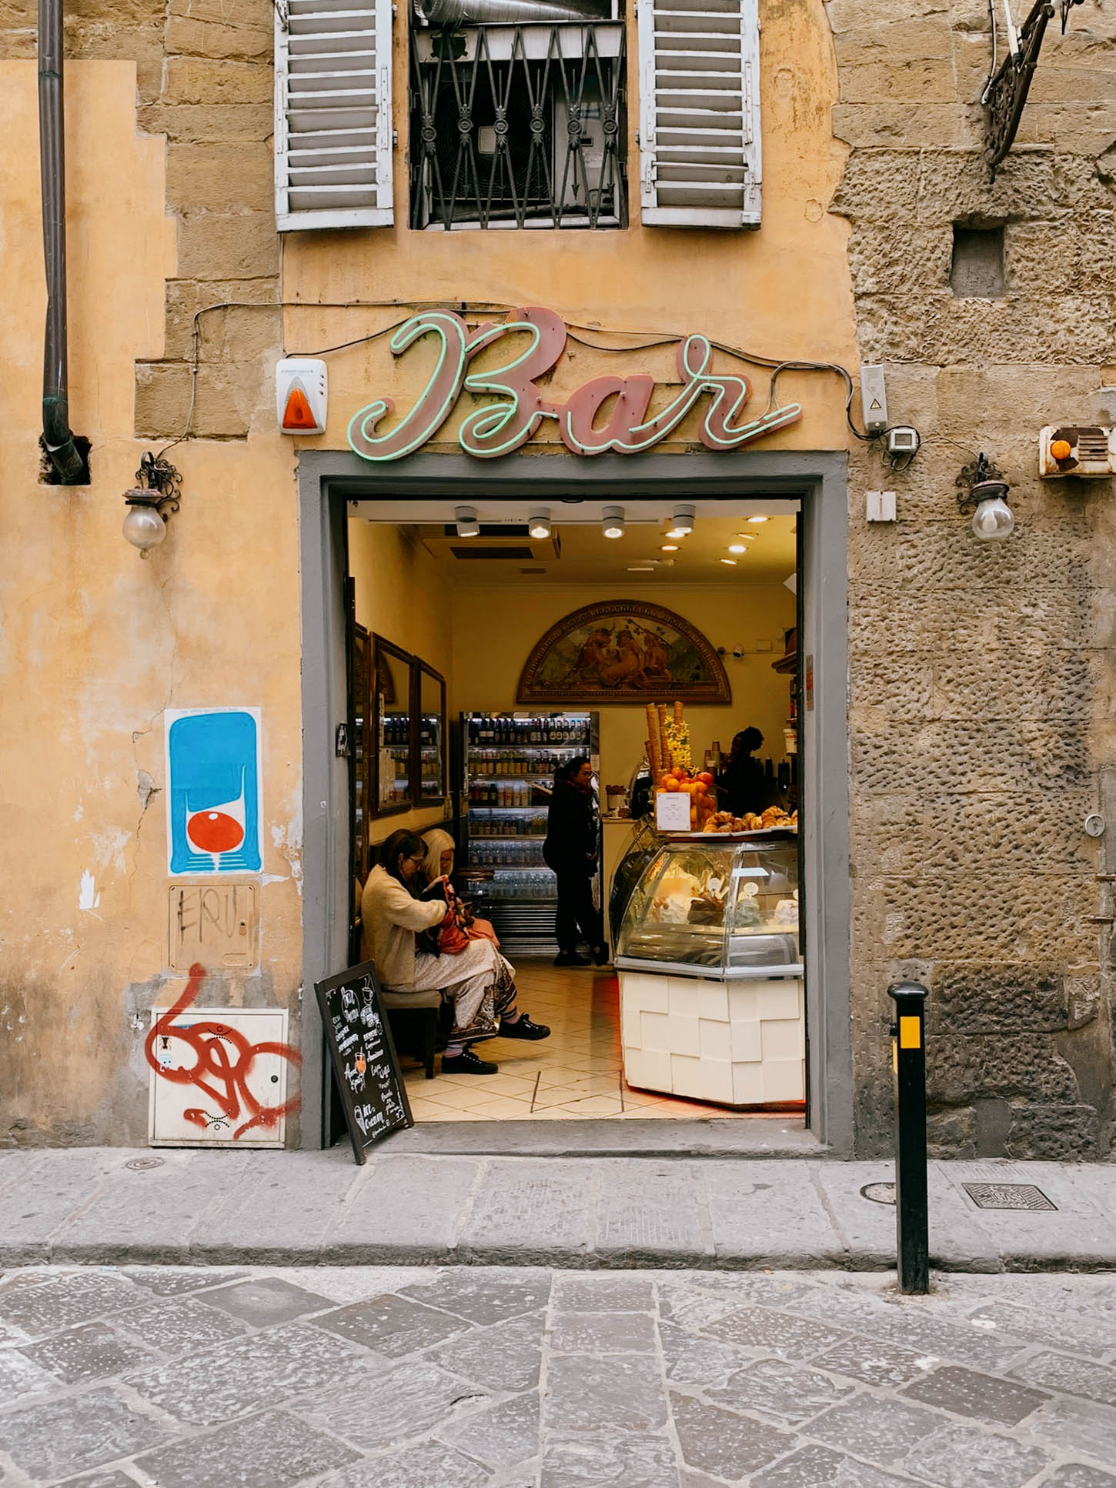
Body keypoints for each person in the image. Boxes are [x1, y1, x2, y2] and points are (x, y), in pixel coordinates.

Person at [361, 829, 549, 1075]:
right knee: (485, 951)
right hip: (399, 975)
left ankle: (456, 1052)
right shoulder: (385, 888)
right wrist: (444, 904)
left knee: (481, 974)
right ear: (400, 858)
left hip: (406, 964)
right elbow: (420, 917)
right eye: (415, 862)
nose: (417, 868)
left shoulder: (384, 876)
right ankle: (511, 1016)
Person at [543, 756, 608, 967]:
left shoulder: (571, 791)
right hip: (568, 856)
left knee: (569, 903)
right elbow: (574, 829)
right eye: (585, 773)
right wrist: (587, 853)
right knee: (580, 902)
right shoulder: (569, 795)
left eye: (590, 773)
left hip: (565, 855)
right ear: (573, 774)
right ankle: (597, 947)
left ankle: (568, 950)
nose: (588, 777)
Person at [420, 828, 499, 945]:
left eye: (449, 859)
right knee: (486, 941)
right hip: (441, 936)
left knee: (486, 928)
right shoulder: (422, 882)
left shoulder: (443, 879)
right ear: (431, 857)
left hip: (452, 930)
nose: (446, 864)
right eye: (442, 859)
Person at [716, 727, 772, 818]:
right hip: (733, 811)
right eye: (733, 744)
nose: (733, 748)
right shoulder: (734, 764)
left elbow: (740, 795)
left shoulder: (751, 767)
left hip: (745, 814)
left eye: (737, 746)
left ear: (746, 749)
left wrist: (717, 788)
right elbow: (723, 782)